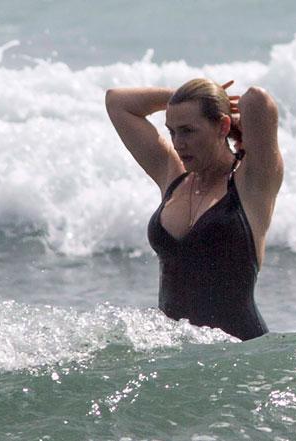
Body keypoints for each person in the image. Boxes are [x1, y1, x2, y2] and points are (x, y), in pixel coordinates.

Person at [105, 78, 283, 340]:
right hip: (176, 358)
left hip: (241, 354)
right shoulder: (172, 176)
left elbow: (258, 101)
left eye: (188, 130)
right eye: (172, 131)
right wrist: (180, 99)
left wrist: (215, 101)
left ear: (222, 126)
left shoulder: (251, 183)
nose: (178, 142)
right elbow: (117, 101)